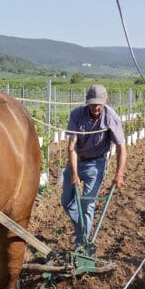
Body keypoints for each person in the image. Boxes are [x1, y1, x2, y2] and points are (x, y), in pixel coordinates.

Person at [61, 84, 127, 252]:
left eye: (99, 104)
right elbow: (72, 146)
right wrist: (74, 174)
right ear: (87, 102)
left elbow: (121, 147)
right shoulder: (77, 114)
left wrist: (119, 175)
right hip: (76, 160)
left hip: (96, 164)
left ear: (105, 102)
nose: (96, 107)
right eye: (92, 103)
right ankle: (81, 229)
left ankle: (81, 245)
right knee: (66, 201)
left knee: (88, 205)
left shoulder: (111, 117)